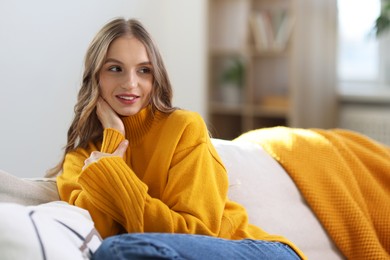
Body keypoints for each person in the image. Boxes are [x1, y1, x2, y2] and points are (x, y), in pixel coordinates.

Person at [49, 17, 305, 259]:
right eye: (115, 69)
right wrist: (113, 139)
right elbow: (99, 232)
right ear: (95, 77)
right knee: (112, 251)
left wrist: (111, 173)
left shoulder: (183, 128)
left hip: (250, 249)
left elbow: (195, 233)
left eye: (143, 70)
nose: (130, 82)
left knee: (117, 250)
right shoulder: (81, 159)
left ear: (156, 77)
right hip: (143, 253)